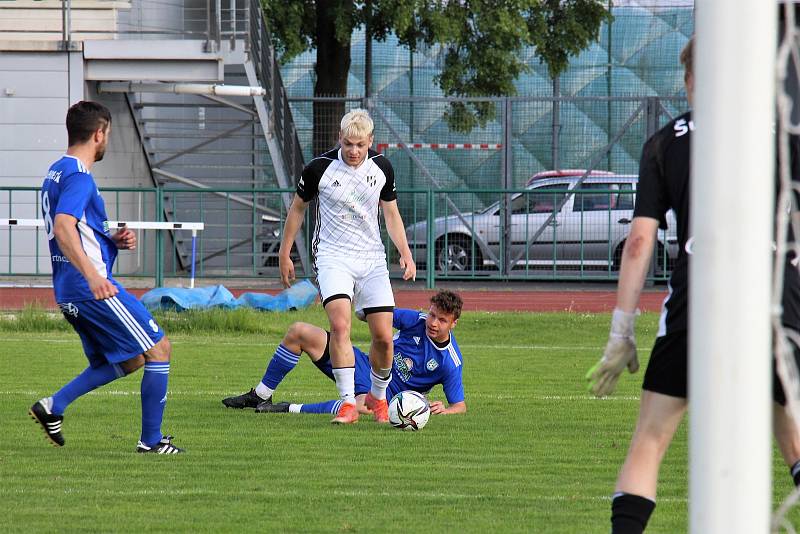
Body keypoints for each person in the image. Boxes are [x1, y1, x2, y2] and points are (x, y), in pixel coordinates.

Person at [585, 38, 800, 533]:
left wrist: (621, 332)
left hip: (698, 304)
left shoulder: (665, 141)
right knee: (791, 434)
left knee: (651, 439)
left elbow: (640, 241)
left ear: (690, 80)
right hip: (776, 303)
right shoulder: (784, 134)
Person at [30, 101, 183, 454]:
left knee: (129, 359)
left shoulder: (56, 171)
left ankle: (54, 406)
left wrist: (110, 241)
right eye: (108, 135)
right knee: (159, 348)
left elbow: (72, 229)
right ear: (98, 134)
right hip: (90, 287)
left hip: (69, 290)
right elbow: (64, 227)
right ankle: (151, 442)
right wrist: (94, 275)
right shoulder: (80, 177)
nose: (106, 141)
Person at [276, 109, 416, 424]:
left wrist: (404, 252)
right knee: (340, 326)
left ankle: (379, 400)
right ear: (340, 138)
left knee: (382, 336)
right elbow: (298, 210)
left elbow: (391, 214)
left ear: (370, 142)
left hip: (372, 259)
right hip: (332, 256)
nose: (354, 151)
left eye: (360, 146)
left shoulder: (382, 169)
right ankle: (347, 404)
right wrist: (285, 253)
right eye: (348, 144)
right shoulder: (319, 169)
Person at [222, 290, 466, 417]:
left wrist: (445, 410)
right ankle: (261, 395)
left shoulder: (450, 362)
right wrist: (364, 309)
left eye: (442, 320)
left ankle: (289, 409)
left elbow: (460, 406)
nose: (433, 323)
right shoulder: (417, 320)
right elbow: (382, 314)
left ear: (453, 323)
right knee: (299, 332)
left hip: (382, 395)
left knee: (360, 407)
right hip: (360, 362)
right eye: (433, 314)